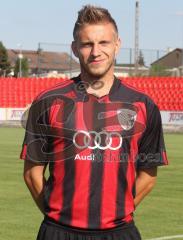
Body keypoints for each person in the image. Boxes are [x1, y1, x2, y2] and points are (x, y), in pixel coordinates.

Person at [20, 5, 168, 240]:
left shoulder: (143, 105)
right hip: (58, 232)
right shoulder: (48, 102)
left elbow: (148, 176)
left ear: (117, 45)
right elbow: (32, 175)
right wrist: (59, 217)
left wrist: (117, 214)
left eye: (104, 43)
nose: (96, 52)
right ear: (75, 48)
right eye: (87, 44)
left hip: (119, 233)